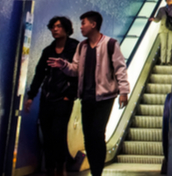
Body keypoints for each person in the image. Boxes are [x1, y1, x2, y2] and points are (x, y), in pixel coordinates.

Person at [48, 11, 130, 176]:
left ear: (93, 24)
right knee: (88, 137)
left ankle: (97, 172)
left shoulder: (110, 44)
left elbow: (120, 68)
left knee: (98, 134)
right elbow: (75, 70)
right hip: (86, 97)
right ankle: (95, 170)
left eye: (83, 23)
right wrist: (64, 65)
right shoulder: (82, 46)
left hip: (105, 97)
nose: (81, 27)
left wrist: (124, 91)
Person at [26, 17, 79, 176]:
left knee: (58, 133)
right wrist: (32, 95)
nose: (55, 29)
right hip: (47, 98)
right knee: (47, 135)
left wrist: (70, 96)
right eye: (53, 27)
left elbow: (78, 74)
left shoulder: (75, 48)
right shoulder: (48, 51)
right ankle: (50, 168)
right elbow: (39, 74)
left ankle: (61, 166)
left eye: (58, 26)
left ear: (66, 29)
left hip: (63, 98)